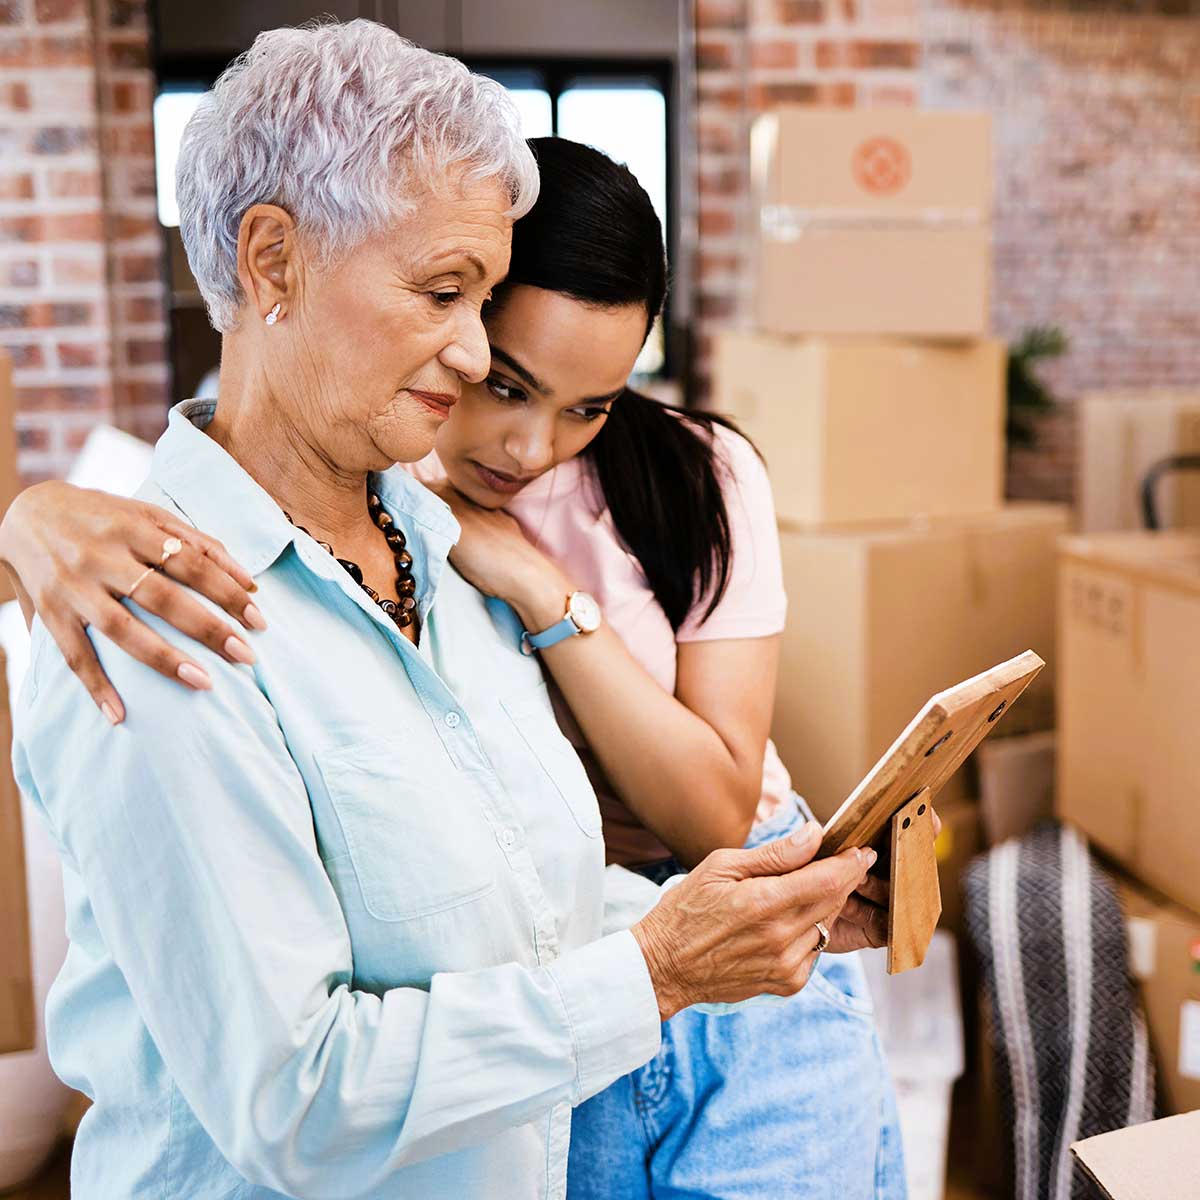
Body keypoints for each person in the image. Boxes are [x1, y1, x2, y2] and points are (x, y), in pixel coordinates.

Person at [5, 21, 883, 1200]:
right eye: (444, 293)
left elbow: (515, 895)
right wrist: (662, 971)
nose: (474, 355)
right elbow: (299, 1100)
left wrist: (760, 911)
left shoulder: (429, 544)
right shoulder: (161, 607)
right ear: (272, 263)